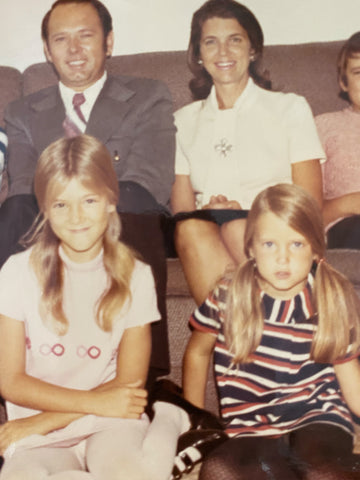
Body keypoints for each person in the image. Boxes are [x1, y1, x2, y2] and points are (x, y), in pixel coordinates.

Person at [2, 0, 176, 383]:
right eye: (61, 39)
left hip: (126, 211)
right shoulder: (22, 112)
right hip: (51, 214)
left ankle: (143, 379)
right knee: (13, 210)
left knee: (131, 203)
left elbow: (149, 179)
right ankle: (9, 369)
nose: (74, 50)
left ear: (108, 42)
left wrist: (86, 205)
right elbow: (24, 185)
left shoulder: (148, 96)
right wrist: (68, 212)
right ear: (47, 50)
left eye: (86, 36)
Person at [0, 134, 190, 480]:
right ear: (44, 207)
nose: (76, 217)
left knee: (132, 474)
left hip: (107, 420)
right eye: (61, 204)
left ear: (111, 200)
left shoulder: (137, 275)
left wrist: (50, 419)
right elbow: (11, 382)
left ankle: (169, 418)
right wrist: (55, 418)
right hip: (40, 426)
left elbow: (129, 383)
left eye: (89, 200)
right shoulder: (16, 272)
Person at [181, 183, 360, 479]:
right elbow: (198, 352)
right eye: (269, 244)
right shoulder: (228, 295)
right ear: (250, 248)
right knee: (218, 470)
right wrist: (193, 419)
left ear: (316, 249)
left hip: (317, 416)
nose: (282, 258)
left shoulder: (329, 299)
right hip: (250, 426)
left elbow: (350, 380)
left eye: (296, 244)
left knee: (317, 468)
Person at [171, 0, 325, 306]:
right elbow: (181, 211)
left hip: (277, 232)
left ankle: (254, 332)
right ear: (198, 55)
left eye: (235, 40)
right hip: (206, 235)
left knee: (238, 226)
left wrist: (249, 213)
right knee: (190, 229)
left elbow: (310, 203)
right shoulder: (182, 121)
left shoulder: (290, 108)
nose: (223, 53)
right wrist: (212, 214)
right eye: (211, 43)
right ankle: (248, 336)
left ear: (252, 49)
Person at [316, 32, 360, 249]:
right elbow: (304, 212)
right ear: (344, 82)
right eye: (359, 72)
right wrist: (349, 203)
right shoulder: (324, 126)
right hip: (348, 227)